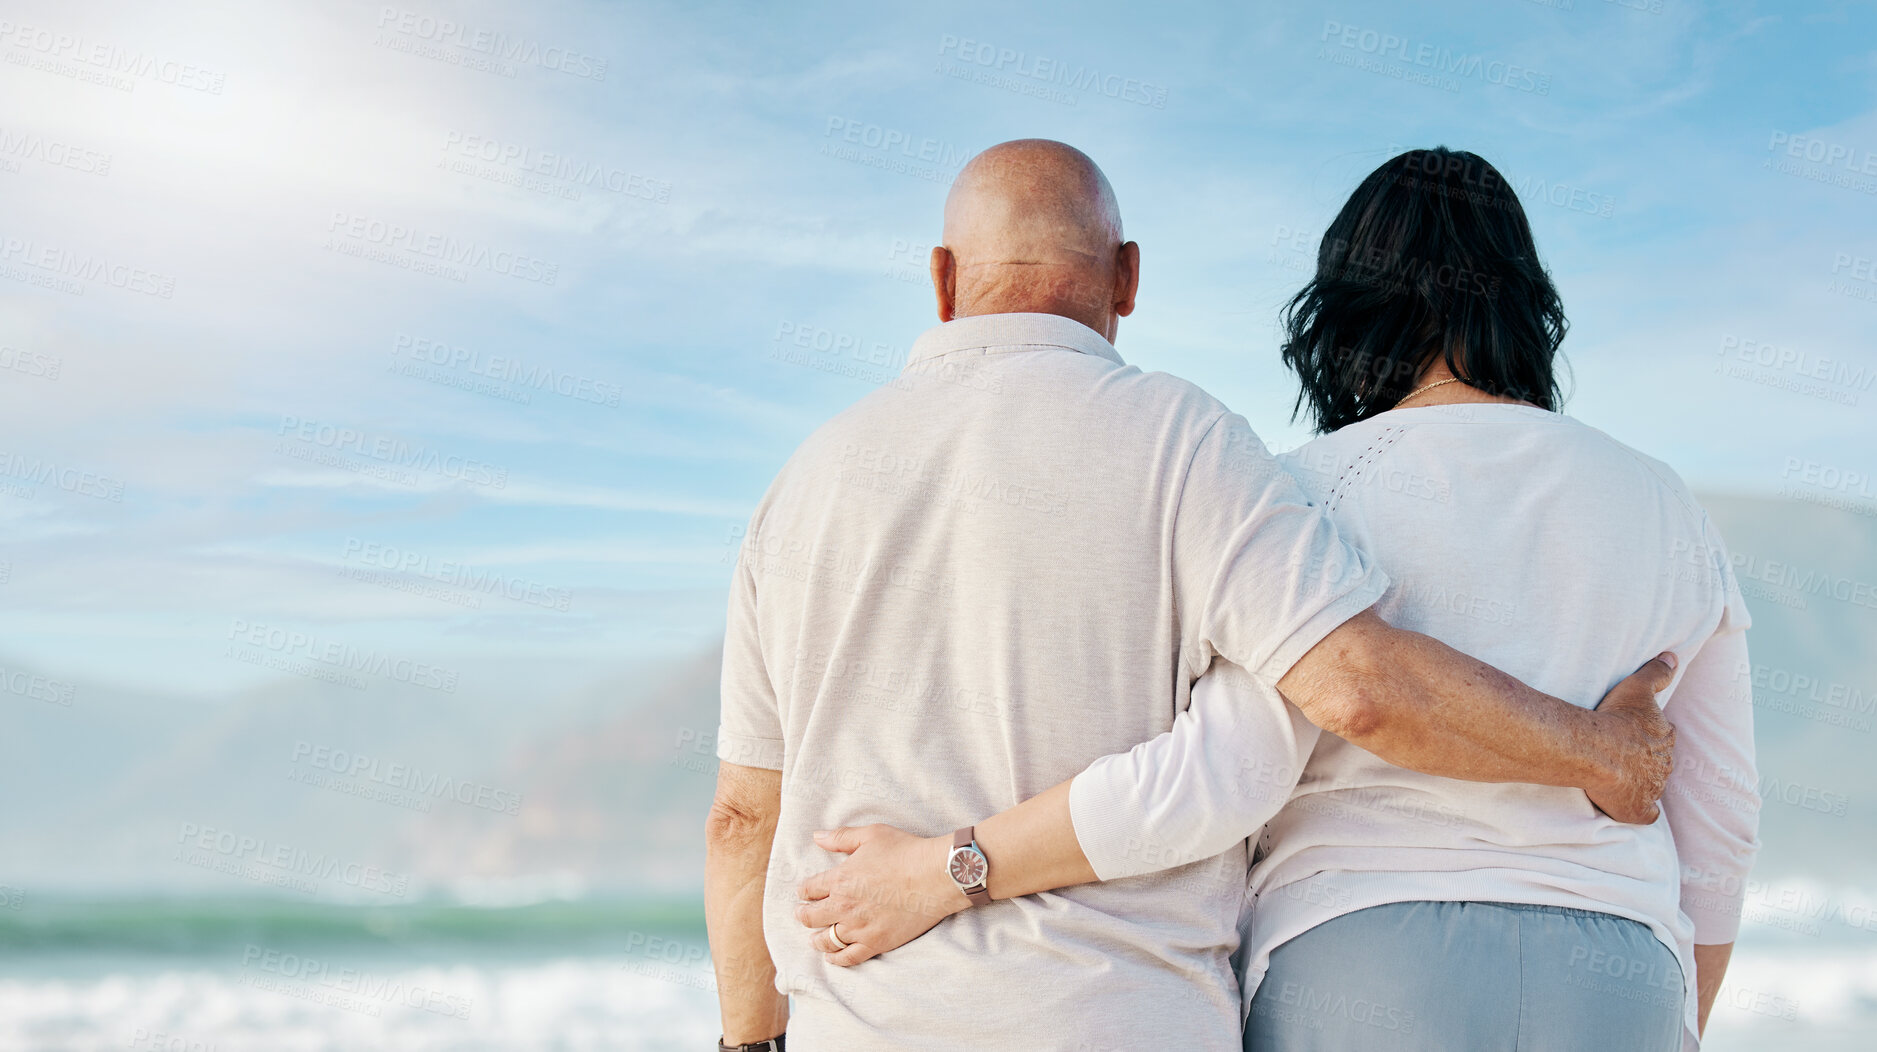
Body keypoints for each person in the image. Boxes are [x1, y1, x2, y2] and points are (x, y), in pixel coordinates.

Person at [707, 139, 1675, 1051]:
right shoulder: (1190, 443)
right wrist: (1595, 749)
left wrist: (748, 1039)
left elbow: (742, 820)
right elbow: (1340, 692)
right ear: (1126, 277)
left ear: (941, 279)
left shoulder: (797, 487)